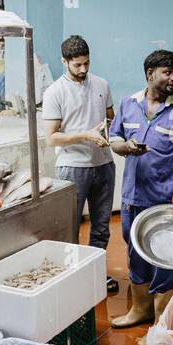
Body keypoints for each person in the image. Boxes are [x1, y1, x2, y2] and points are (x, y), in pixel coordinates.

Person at [108, 49, 173, 345]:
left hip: (163, 202)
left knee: (165, 259)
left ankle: (160, 325)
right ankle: (140, 310)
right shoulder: (128, 104)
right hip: (132, 197)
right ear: (150, 74)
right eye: (167, 72)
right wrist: (125, 147)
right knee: (135, 253)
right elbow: (114, 139)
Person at [41, 36, 118, 296]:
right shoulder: (54, 92)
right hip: (72, 167)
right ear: (64, 62)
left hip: (104, 164)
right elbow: (52, 137)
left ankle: (95, 273)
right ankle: (72, 276)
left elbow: (111, 118)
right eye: (77, 65)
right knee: (70, 227)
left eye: (86, 63)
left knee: (101, 226)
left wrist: (110, 130)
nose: (83, 69)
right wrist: (86, 135)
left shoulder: (102, 84)